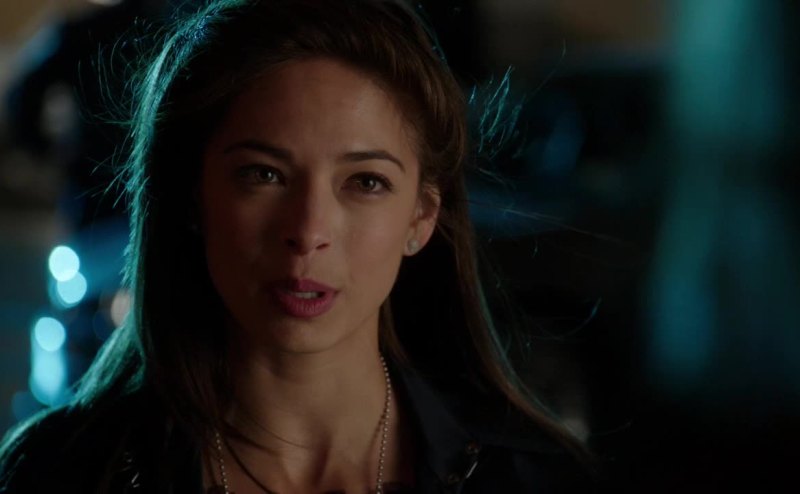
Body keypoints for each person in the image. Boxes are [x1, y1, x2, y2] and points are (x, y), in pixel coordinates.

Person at [0, 0, 596, 492]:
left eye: (365, 182)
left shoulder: (529, 479)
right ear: (192, 198)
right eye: (263, 175)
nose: (308, 232)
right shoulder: (60, 474)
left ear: (422, 216)